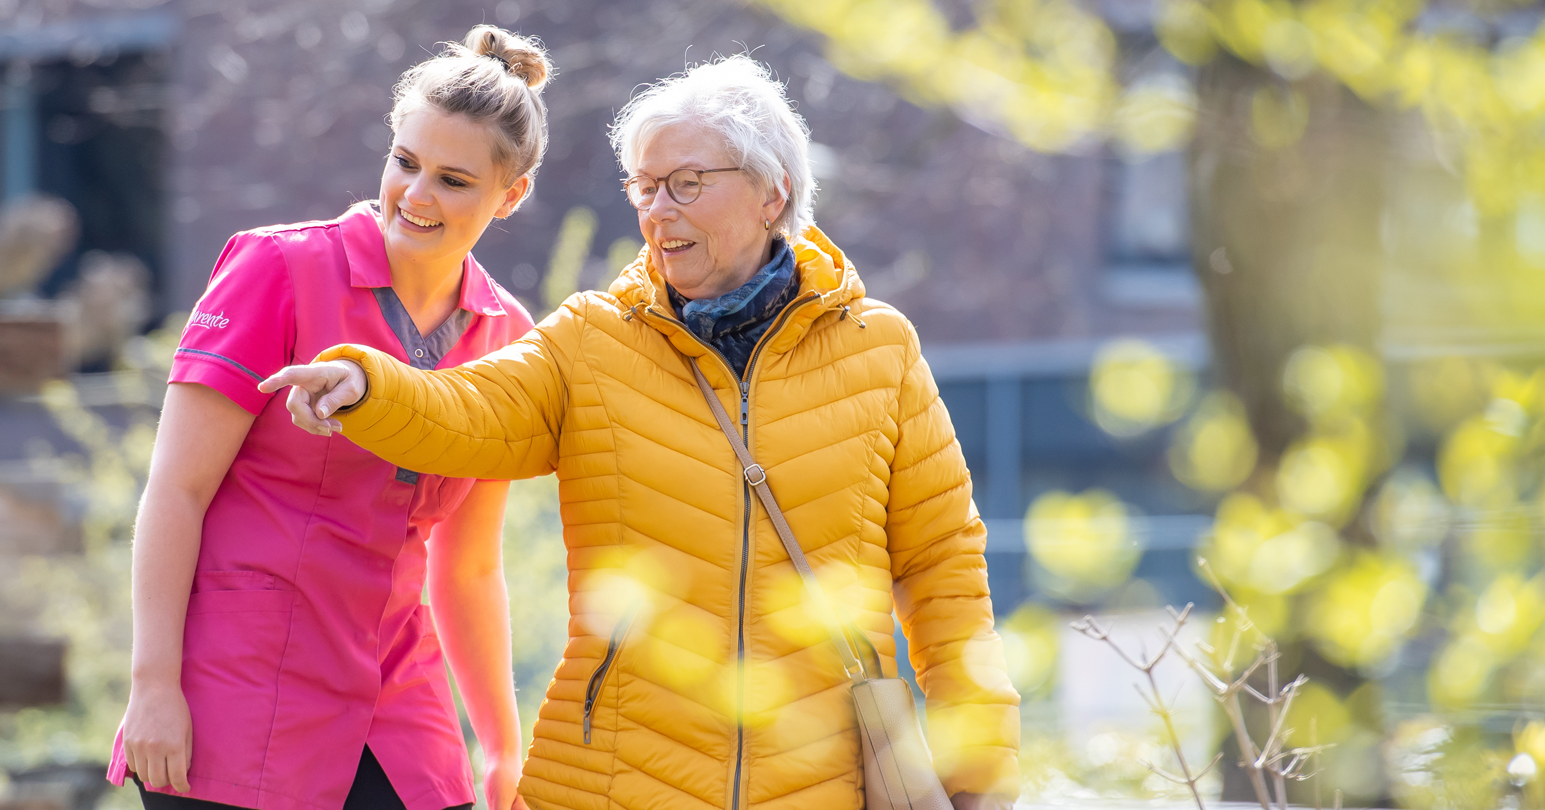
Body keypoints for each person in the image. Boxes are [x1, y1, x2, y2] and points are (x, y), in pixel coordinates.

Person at [261, 55, 1021, 810]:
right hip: (609, 783)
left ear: (772, 193)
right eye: (645, 187)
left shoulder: (877, 349)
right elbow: (469, 410)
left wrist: (979, 774)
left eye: (687, 183)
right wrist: (366, 382)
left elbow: (942, 569)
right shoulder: (592, 339)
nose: (659, 210)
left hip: (820, 784)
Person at [109, 25, 552, 810]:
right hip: (237, 696)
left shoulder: (508, 335)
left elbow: (470, 564)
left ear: (509, 194)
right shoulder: (275, 269)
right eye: (405, 163)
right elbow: (175, 491)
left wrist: (503, 749)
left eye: (453, 180)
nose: (415, 196)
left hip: (399, 702)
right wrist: (152, 687)